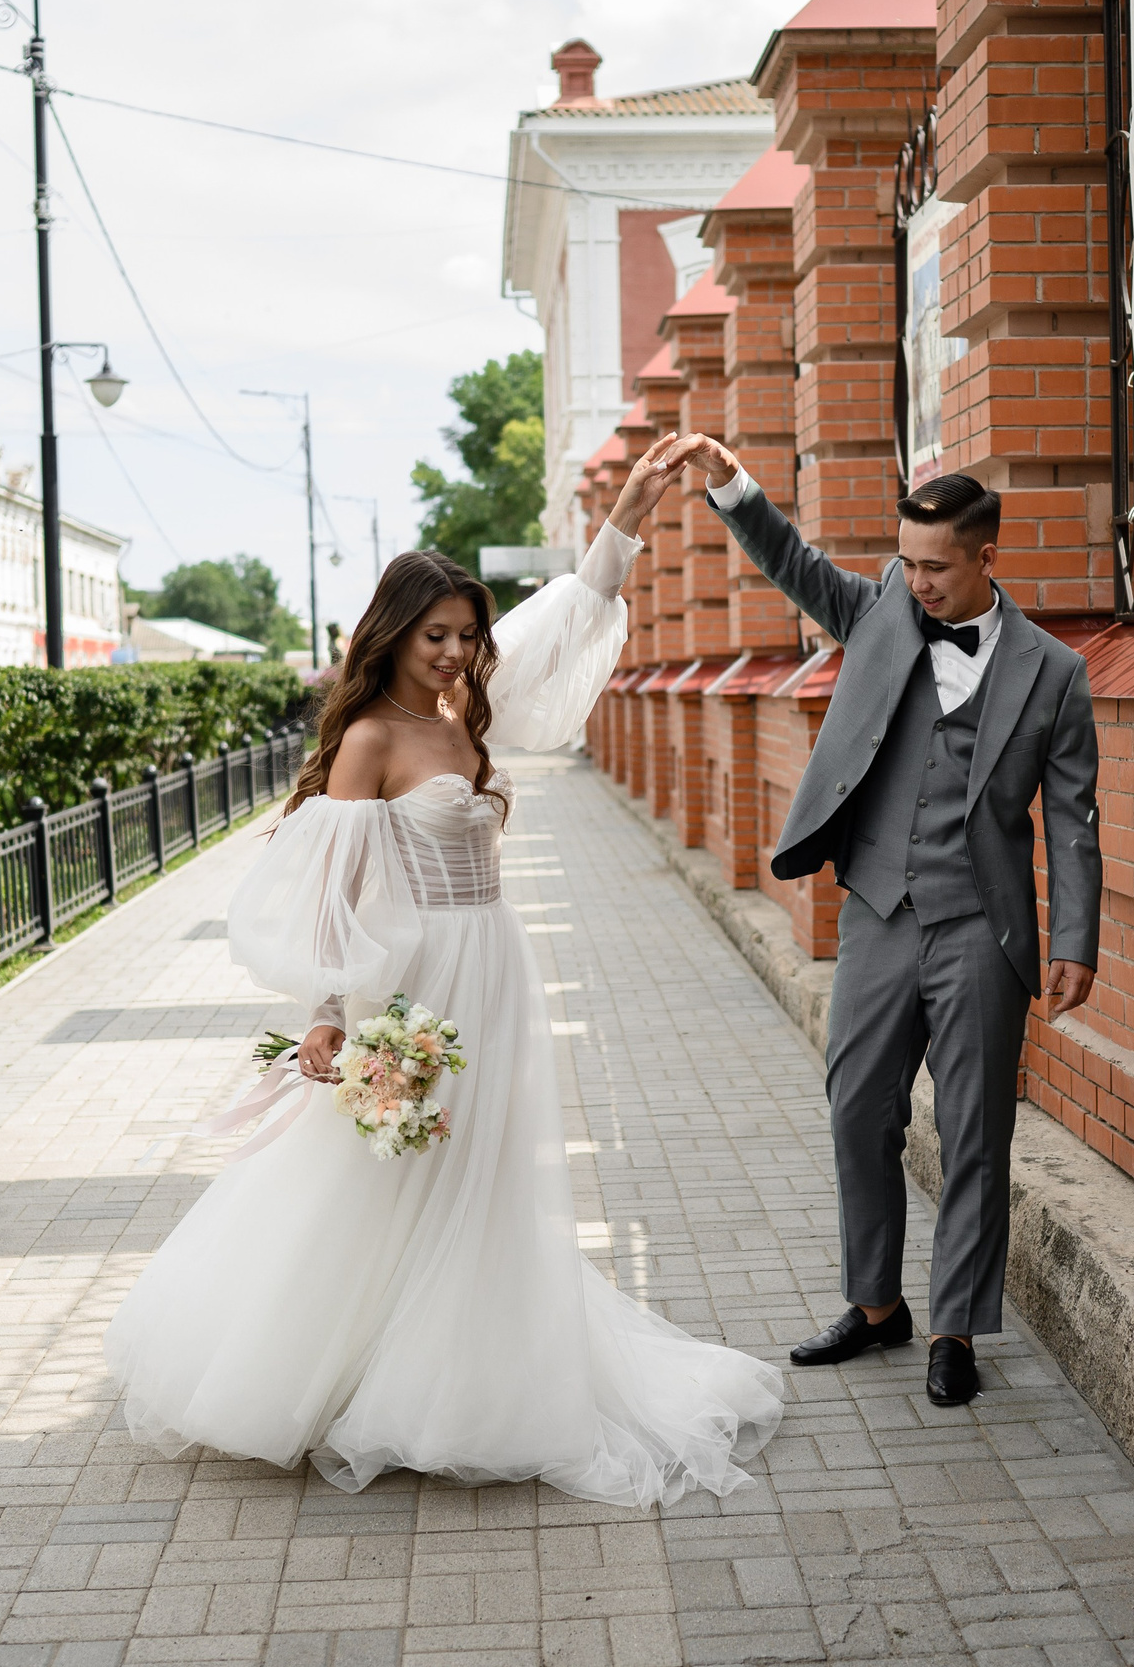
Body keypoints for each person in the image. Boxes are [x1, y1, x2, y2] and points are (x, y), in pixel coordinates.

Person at [106, 540, 782, 1508]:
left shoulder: (467, 709)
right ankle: (347, 1372)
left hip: (496, 969)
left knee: (487, 1167)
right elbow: (332, 887)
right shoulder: (370, 739)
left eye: (466, 634)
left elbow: (565, 620)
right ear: (392, 633)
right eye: (435, 634)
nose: (454, 652)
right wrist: (326, 1011)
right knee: (390, 1172)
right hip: (417, 985)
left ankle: (469, 1371)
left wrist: (628, 522)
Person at [607, 432, 1102, 1409]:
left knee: (973, 1130)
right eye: (906, 562)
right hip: (878, 910)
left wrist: (1076, 939)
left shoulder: (1053, 672)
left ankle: (956, 1326)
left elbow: (1074, 819)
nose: (916, 581)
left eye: (935, 567)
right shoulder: (879, 610)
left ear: (985, 557)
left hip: (983, 927)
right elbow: (793, 562)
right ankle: (876, 1304)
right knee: (857, 1108)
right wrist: (731, 486)